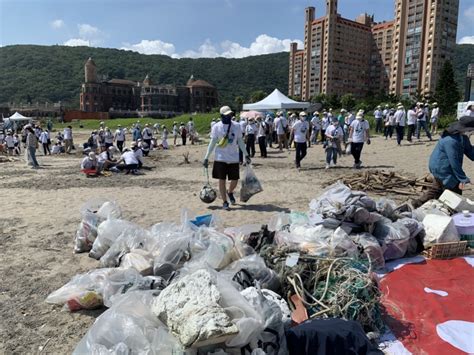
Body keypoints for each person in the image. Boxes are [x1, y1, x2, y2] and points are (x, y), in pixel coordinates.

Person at [412, 116, 474, 208]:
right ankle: (451, 210)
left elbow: (470, 151)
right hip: (441, 166)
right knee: (454, 190)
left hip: (443, 165)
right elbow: (454, 161)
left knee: (437, 188)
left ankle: (418, 203)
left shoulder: (462, 138)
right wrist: (463, 178)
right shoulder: (451, 140)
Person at [203, 105, 251, 210]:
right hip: (220, 158)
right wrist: (206, 157)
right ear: (221, 116)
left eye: (230, 115)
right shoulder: (216, 127)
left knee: (235, 179)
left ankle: (230, 192)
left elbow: (240, 142)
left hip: (233, 158)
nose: (228, 117)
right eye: (226, 115)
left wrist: (246, 154)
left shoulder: (237, 126)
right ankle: (225, 201)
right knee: (222, 180)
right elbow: (212, 143)